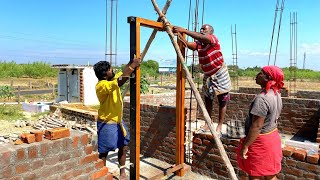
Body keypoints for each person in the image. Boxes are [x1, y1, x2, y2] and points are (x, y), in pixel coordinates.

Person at [172, 24, 232, 134]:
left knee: (222, 100)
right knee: (208, 99)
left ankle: (219, 125)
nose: (201, 30)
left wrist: (184, 30)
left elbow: (202, 37)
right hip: (208, 74)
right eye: (201, 29)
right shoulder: (200, 43)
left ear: (210, 32)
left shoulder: (212, 39)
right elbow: (190, 45)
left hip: (219, 72)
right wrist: (180, 36)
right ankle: (208, 123)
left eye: (204, 29)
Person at [93, 57, 141, 179]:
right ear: (105, 74)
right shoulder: (101, 85)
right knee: (104, 151)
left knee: (123, 147)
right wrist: (132, 66)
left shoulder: (111, 79)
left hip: (118, 121)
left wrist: (132, 62)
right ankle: (102, 174)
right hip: (107, 123)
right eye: (110, 69)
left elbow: (123, 73)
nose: (112, 70)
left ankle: (122, 172)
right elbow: (120, 81)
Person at [237, 65, 284, 180]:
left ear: (268, 78)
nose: (257, 75)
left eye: (261, 73)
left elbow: (257, 126)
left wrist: (245, 146)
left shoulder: (262, 99)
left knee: (255, 174)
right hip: (272, 137)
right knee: (270, 174)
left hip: (260, 142)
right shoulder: (276, 94)